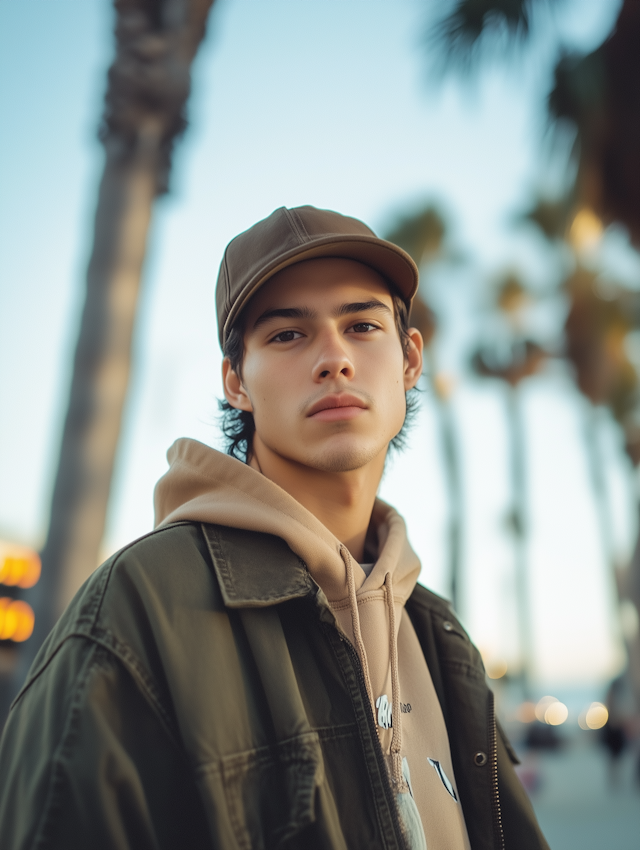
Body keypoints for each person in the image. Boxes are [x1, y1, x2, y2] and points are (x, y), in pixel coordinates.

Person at [0, 206, 549, 849]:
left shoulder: (437, 633)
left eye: (363, 325)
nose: (335, 358)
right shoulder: (137, 610)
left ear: (409, 360)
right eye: (288, 335)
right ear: (236, 380)